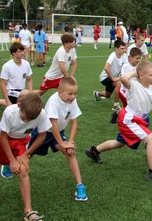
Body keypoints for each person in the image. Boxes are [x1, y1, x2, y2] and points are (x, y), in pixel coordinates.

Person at [86, 62, 152, 182]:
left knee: (119, 142)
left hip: (140, 119)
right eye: (151, 75)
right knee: (151, 139)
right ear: (141, 75)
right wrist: (137, 71)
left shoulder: (151, 82)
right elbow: (123, 77)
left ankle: (94, 151)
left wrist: (150, 68)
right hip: (130, 120)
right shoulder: (134, 85)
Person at [28, 77, 87, 201]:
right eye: (70, 93)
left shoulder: (72, 101)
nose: (73, 96)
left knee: (70, 152)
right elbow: (53, 124)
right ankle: (7, 164)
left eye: (75, 93)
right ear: (60, 92)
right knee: (27, 155)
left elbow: (74, 122)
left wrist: (70, 142)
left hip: (58, 132)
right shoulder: (53, 101)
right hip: (43, 132)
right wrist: (62, 143)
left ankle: (80, 186)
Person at [0, 93, 52, 221]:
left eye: (31, 119)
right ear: (19, 104)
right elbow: (3, 137)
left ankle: (28, 211)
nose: (27, 121)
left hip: (21, 142)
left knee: (23, 170)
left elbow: (41, 135)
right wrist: (12, 160)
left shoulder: (42, 114)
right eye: (25, 118)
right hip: (4, 140)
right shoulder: (9, 112)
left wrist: (26, 154)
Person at [93, 40, 127, 111]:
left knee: (107, 95)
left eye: (124, 48)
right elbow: (106, 68)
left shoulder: (124, 56)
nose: (124, 50)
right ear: (116, 48)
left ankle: (97, 93)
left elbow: (125, 67)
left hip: (113, 78)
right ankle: (116, 106)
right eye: (122, 48)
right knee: (118, 84)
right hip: (105, 78)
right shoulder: (113, 55)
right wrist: (113, 78)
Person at [0, 43, 33, 109]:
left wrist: (31, 93)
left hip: (21, 91)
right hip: (11, 91)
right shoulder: (7, 66)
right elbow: (2, 84)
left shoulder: (26, 64)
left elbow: (29, 79)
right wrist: (7, 101)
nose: (23, 53)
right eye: (20, 51)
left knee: (32, 95)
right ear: (13, 53)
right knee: (25, 96)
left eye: (23, 51)